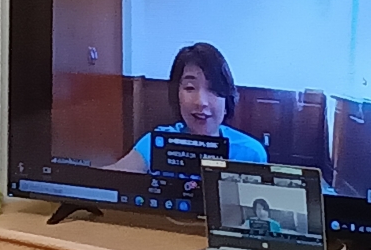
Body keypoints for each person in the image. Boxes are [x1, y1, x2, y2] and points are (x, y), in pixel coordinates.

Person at [105, 43, 268, 173]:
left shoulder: (250, 153)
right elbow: (113, 177)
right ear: (177, 95)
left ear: (227, 101)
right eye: (190, 88)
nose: (201, 102)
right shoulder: (157, 143)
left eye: (213, 90)